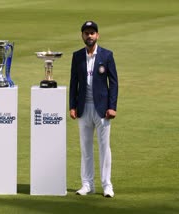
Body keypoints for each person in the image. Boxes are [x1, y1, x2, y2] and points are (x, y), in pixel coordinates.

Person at [69, 21, 118, 197]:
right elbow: (73, 82)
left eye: (92, 33)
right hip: (83, 108)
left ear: (97, 35)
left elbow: (113, 83)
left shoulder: (106, 55)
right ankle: (87, 184)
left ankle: (107, 185)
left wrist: (112, 106)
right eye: (86, 33)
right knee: (85, 147)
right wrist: (72, 106)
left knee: (105, 147)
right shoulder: (77, 56)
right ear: (82, 36)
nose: (89, 36)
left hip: (102, 109)